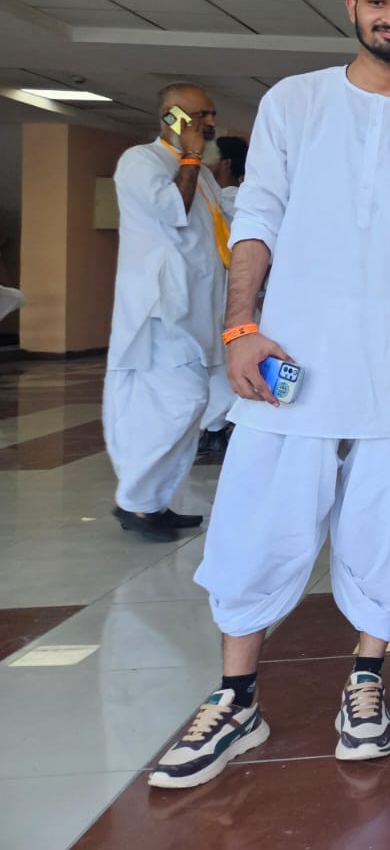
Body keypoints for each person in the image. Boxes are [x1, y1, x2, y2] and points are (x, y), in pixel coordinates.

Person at [150, 0, 390, 790]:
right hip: (293, 359)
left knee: (387, 529)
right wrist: (241, 327)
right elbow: (257, 218)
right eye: (379, 1)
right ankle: (236, 699)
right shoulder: (295, 102)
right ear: (352, 6)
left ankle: (366, 682)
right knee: (260, 519)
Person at [103, 83, 228, 542]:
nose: (208, 124)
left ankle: (152, 502)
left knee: (189, 408)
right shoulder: (142, 161)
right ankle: (135, 503)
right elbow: (175, 208)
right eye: (198, 115)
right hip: (161, 312)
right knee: (177, 404)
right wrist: (191, 156)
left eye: (210, 115)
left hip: (196, 310)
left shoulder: (203, 174)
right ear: (171, 118)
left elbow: (224, 220)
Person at [200, 135, 250, 455]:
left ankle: (217, 427)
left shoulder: (229, 200)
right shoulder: (225, 199)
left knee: (222, 361)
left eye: (213, 158)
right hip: (227, 290)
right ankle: (217, 426)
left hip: (230, 291)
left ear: (226, 163)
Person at [210, 135, 248, 217]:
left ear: (226, 163)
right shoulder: (243, 198)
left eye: (210, 157)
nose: (205, 162)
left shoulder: (229, 201)